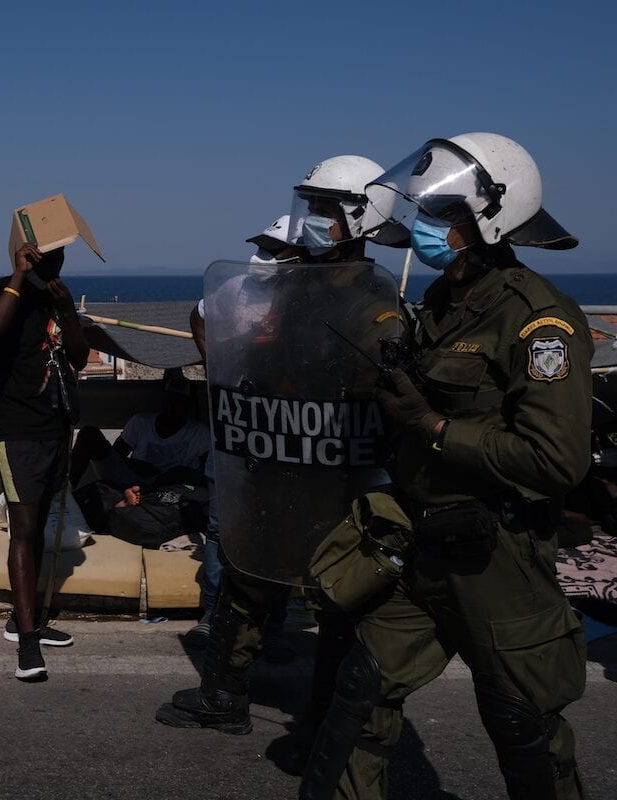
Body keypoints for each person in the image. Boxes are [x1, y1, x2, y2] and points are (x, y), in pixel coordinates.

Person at [301, 133, 590, 800]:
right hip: (420, 544)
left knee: (524, 729)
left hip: (498, 559)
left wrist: (429, 424)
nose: (425, 227)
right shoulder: (437, 304)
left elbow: (555, 459)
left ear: (489, 218)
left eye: (441, 215)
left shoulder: (538, 320)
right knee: (359, 700)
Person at [157, 156, 404, 775]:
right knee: (245, 578)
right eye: (311, 207)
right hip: (276, 468)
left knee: (339, 604)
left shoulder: (375, 306)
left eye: (324, 210)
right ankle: (224, 695)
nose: (312, 221)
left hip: (336, 480)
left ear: (356, 218)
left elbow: (388, 395)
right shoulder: (299, 287)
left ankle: (325, 723)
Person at [185, 215, 306, 649]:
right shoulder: (235, 288)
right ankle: (212, 614)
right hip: (235, 422)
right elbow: (197, 315)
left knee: (278, 528)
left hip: (286, 428)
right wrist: (213, 361)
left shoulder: (307, 297)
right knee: (222, 528)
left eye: (275, 251)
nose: (263, 258)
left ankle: (272, 623)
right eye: (264, 248)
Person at [0, 242, 88, 680]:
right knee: (22, 531)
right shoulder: (2, 290)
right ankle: (26, 643)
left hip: (55, 427)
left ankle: (25, 621)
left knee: (39, 525)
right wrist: (19, 278)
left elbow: (78, 358)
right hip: (19, 429)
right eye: (46, 255)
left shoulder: (57, 296)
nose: (54, 262)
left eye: (59, 255)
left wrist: (67, 310)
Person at [69, 370, 209, 539]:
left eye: (179, 402)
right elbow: (116, 456)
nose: (173, 407)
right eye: (169, 400)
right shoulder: (141, 422)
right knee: (88, 433)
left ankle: (128, 503)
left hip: (168, 488)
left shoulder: (199, 432)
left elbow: (206, 473)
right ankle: (65, 491)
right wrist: (135, 468)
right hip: (131, 478)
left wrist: (178, 475)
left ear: (187, 406)